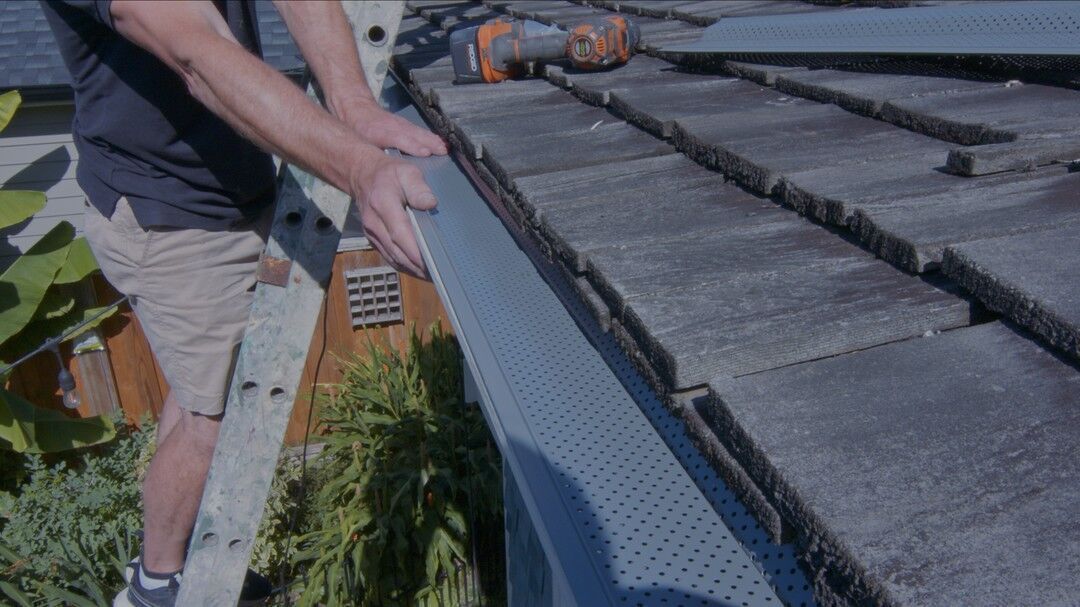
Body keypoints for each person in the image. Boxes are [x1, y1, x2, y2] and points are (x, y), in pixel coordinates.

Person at [41, 1, 447, 605]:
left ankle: (173, 557)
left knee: (197, 393)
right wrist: (360, 168)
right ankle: (156, 582)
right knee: (215, 422)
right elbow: (197, 51)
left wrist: (353, 103)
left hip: (227, 184)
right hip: (173, 219)